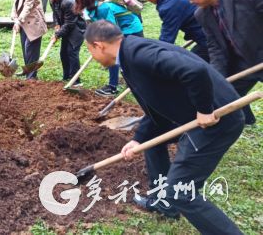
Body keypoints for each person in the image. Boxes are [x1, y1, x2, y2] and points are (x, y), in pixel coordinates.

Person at [84, 20, 244, 235]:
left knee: (180, 192)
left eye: (90, 51)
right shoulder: (130, 55)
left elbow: (195, 70)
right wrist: (138, 139)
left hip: (216, 121)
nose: (93, 58)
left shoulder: (139, 54)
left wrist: (204, 109)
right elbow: (155, 107)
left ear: (98, 45)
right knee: (152, 145)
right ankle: (163, 203)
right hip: (200, 117)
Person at [178, 0, 263, 125]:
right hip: (242, 64)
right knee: (222, 95)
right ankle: (239, 122)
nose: (190, 2)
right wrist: (217, 79)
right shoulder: (202, 14)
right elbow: (215, 47)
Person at [75, 0, 143, 96]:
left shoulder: (103, 8)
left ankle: (113, 87)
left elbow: (112, 30)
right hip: (121, 28)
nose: (79, 2)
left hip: (131, 29)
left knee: (115, 54)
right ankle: (128, 81)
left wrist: (104, 44)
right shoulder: (90, 9)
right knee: (117, 55)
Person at [138, 0, 208, 61]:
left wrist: (155, 56)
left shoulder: (169, 6)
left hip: (209, 38)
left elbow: (167, 38)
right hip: (207, 30)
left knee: (195, 64)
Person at [10, 0, 47, 79]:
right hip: (24, 23)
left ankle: (32, 78)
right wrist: (15, 19)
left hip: (34, 23)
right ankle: (28, 73)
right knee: (25, 50)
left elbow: (28, 6)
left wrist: (18, 21)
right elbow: (15, 4)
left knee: (31, 51)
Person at [46, 0, 86, 84]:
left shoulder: (68, 2)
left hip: (77, 29)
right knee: (63, 53)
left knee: (72, 53)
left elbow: (70, 23)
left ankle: (75, 81)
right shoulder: (52, 0)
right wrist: (57, 24)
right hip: (66, 27)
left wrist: (57, 35)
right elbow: (55, 14)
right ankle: (66, 77)